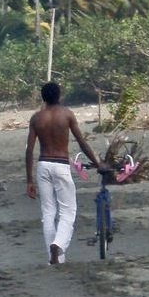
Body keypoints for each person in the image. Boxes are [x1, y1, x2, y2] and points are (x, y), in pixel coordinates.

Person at [25, 82, 100, 265]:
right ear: (59, 96)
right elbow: (81, 142)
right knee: (68, 211)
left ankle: (55, 258)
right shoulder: (67, 115)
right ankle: (58, 245)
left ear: (43, 97)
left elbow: (29, 150)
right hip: (61, 164)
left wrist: (29, 180)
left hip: (43, 164)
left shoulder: (36, 118)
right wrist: (98, 162)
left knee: (48, 212)